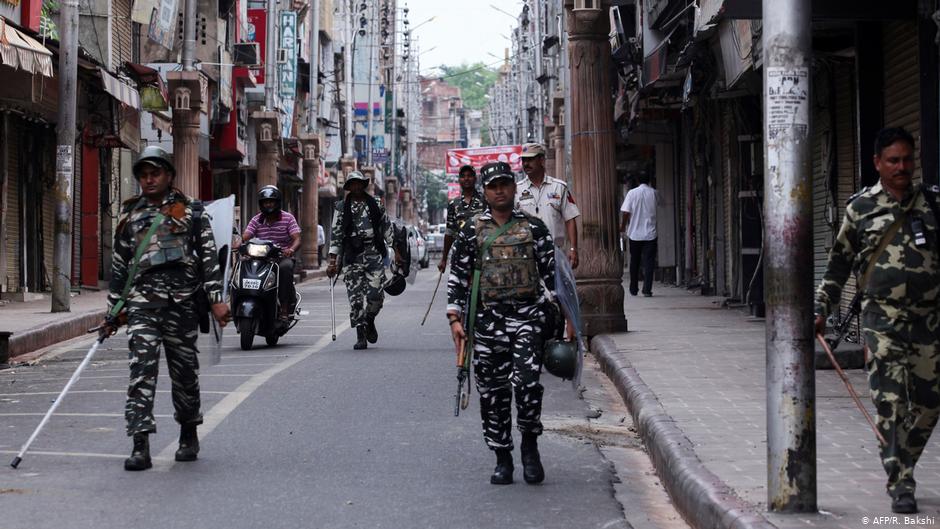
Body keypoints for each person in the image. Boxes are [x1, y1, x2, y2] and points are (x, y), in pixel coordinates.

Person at [815, 127, 940, 515]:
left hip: (928, 322)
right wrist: (821, 308)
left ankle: (901, 458)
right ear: (877, 164)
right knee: (890, 401)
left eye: (907, 159)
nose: (902, 167)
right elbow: (837, 266)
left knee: (929, 403)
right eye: (893, 160)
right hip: (881, 320)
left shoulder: (933, 204)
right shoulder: (861, 208)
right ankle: (900, 481)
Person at [100, 146, 231, 471]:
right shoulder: (130, 216)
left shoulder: (191, 213)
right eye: (144, 174)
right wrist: (112, 312)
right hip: (142, 306)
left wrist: (216, 299)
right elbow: (120, 267)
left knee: (184, 373)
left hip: (182, 304)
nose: (149, 179)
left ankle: (189, 432)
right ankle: (140, 443)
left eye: (155, 173)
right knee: (140, 373)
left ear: (169, 175)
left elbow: (209, 259)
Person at [447, 161, 558, 485]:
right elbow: (458, 278)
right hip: (487, 323)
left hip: (528, 318)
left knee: (527, 385)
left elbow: (554, 278)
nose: (499, 190)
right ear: (484, 191)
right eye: (493, 186)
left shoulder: (534, 229)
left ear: (513, 187)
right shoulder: (471, 232)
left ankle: (530, 447)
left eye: (504, 184)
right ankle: (502, 457)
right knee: (492, 393)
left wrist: (567, 319)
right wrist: (455, 319)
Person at [326, 171, 399, 350]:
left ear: (363, 185)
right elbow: (336, 233)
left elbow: (387, 228)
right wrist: (332, 260)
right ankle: (360, 334)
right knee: (355, 298)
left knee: (376, 295)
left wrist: (396, 250)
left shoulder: (376, 204)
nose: (356, 186)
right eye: (353, 184)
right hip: (351, 254)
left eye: (359, 183)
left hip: (373, 252)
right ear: (349, 187)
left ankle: (370, 319)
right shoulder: (341, 207)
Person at [515, 142, 580, 269]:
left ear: (541, 160)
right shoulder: (516, 190)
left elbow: (570, 219)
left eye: (530, 159)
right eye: (524, 160)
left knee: (556, 288)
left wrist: (573, 248)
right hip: (527, 256)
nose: (526, 164)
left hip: (555, 254)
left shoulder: (559, 187)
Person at [240, 185, 301, 317]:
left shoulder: (288, 218)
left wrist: (290, 249)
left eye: (271, 201)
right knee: (243, 264)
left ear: (278, 202)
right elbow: (246, 236)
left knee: (285, 268)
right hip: (261, 257)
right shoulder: (256, 219)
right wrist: (236, 242)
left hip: (281, 256)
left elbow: (297, 239)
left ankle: (284, 306)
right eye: (265, 202)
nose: (268, 204)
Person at [438, 164, 487, 272]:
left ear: (475, 178)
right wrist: (444, 259)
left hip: (482, 254)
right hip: (460, 254)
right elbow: (449, 232)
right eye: (463, 176)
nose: (466, 179)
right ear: (459, 180)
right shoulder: (453, 204)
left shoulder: (485, 201)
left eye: (469, 175)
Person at [619, 172, 659, 297]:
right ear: (649, 180)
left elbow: (625, 212)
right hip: (650, 234)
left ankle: (633, 288)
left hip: (635, 233)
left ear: (637, 181)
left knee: (634, 262)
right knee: (649, 262)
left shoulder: (632, 193)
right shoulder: (654, 193)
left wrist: (622, 226)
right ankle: (647, 290)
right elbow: (660, 205)